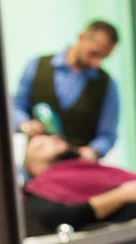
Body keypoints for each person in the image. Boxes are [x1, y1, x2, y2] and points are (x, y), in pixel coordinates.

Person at [11, 20, 122, 161]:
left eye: (103, 57)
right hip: (38, 167)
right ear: (82, 37)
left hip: (78, 169)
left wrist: (93, 151)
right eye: (94, 53)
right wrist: (24, 124)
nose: (96, 63)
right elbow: (17, 106)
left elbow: (107, 135)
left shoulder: (107, 85)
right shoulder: (36, 65)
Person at [21, 134, 136, 236]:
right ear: (36, 167)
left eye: (50, 137)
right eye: (41, 146)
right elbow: (62, 218)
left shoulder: (88, 169)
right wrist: (123, 194)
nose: (53, 139)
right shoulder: (39, 190)